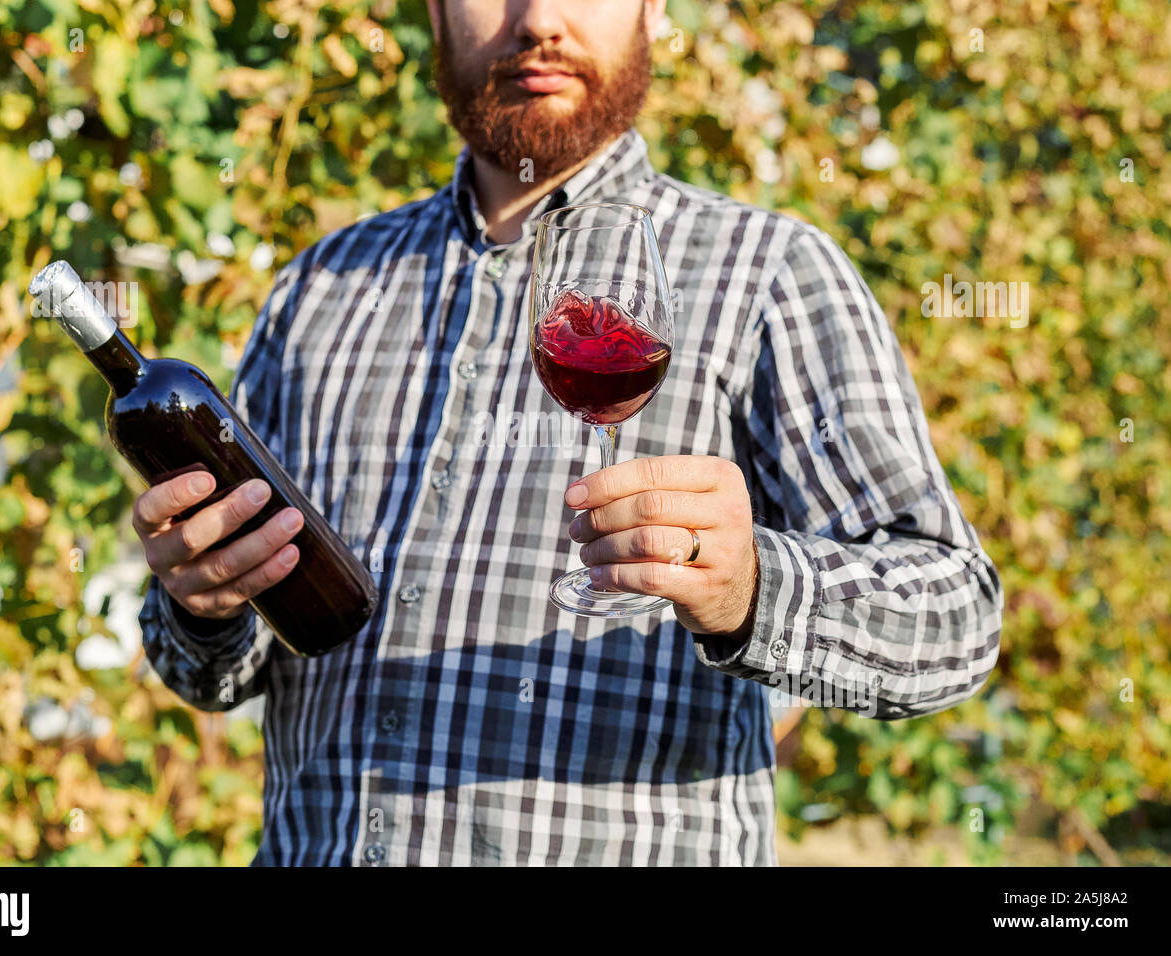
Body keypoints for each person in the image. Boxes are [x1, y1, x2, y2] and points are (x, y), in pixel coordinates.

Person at [136, 0, 1002, 865]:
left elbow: (957, 620)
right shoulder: (321, 288)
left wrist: (752, 590)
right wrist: (204, 608)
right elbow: (211, 676)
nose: (538, 18)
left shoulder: (771, 273)